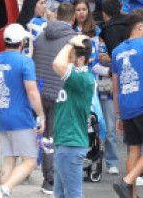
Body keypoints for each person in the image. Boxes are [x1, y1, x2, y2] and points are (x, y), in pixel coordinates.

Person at [0, 24, 46, 198]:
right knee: (30, 161)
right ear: (22, 42)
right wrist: (41, 115)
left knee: (9, 158)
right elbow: (32, 91)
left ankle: (1, 190)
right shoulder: (25, 61)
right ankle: (4, 189)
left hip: (1, 117)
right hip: (20, 117)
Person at [112, 9, 143, 198]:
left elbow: (115, 87)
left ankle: (130, 194)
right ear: (140, 26)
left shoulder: (117, 51)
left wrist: (118, 114)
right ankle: (127, 180)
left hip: (126, 107)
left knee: (133, 150)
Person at [31, 2, 76, 194]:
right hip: (61, 93)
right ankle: (54, 179)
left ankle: (48, 179)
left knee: (46, 138)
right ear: (73, 18)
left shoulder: (40, 37)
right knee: (58, 137)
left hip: (41, 92)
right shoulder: (74, 39)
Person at [51, 33, 95, 198]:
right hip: (65, 143)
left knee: (72, 195)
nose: (66, 60)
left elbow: (57, 63)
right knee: (61, 194)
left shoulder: (83, 79)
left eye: (70, 57)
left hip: (71, 143)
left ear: (81, 59)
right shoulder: (76, 79)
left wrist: (70, 43)